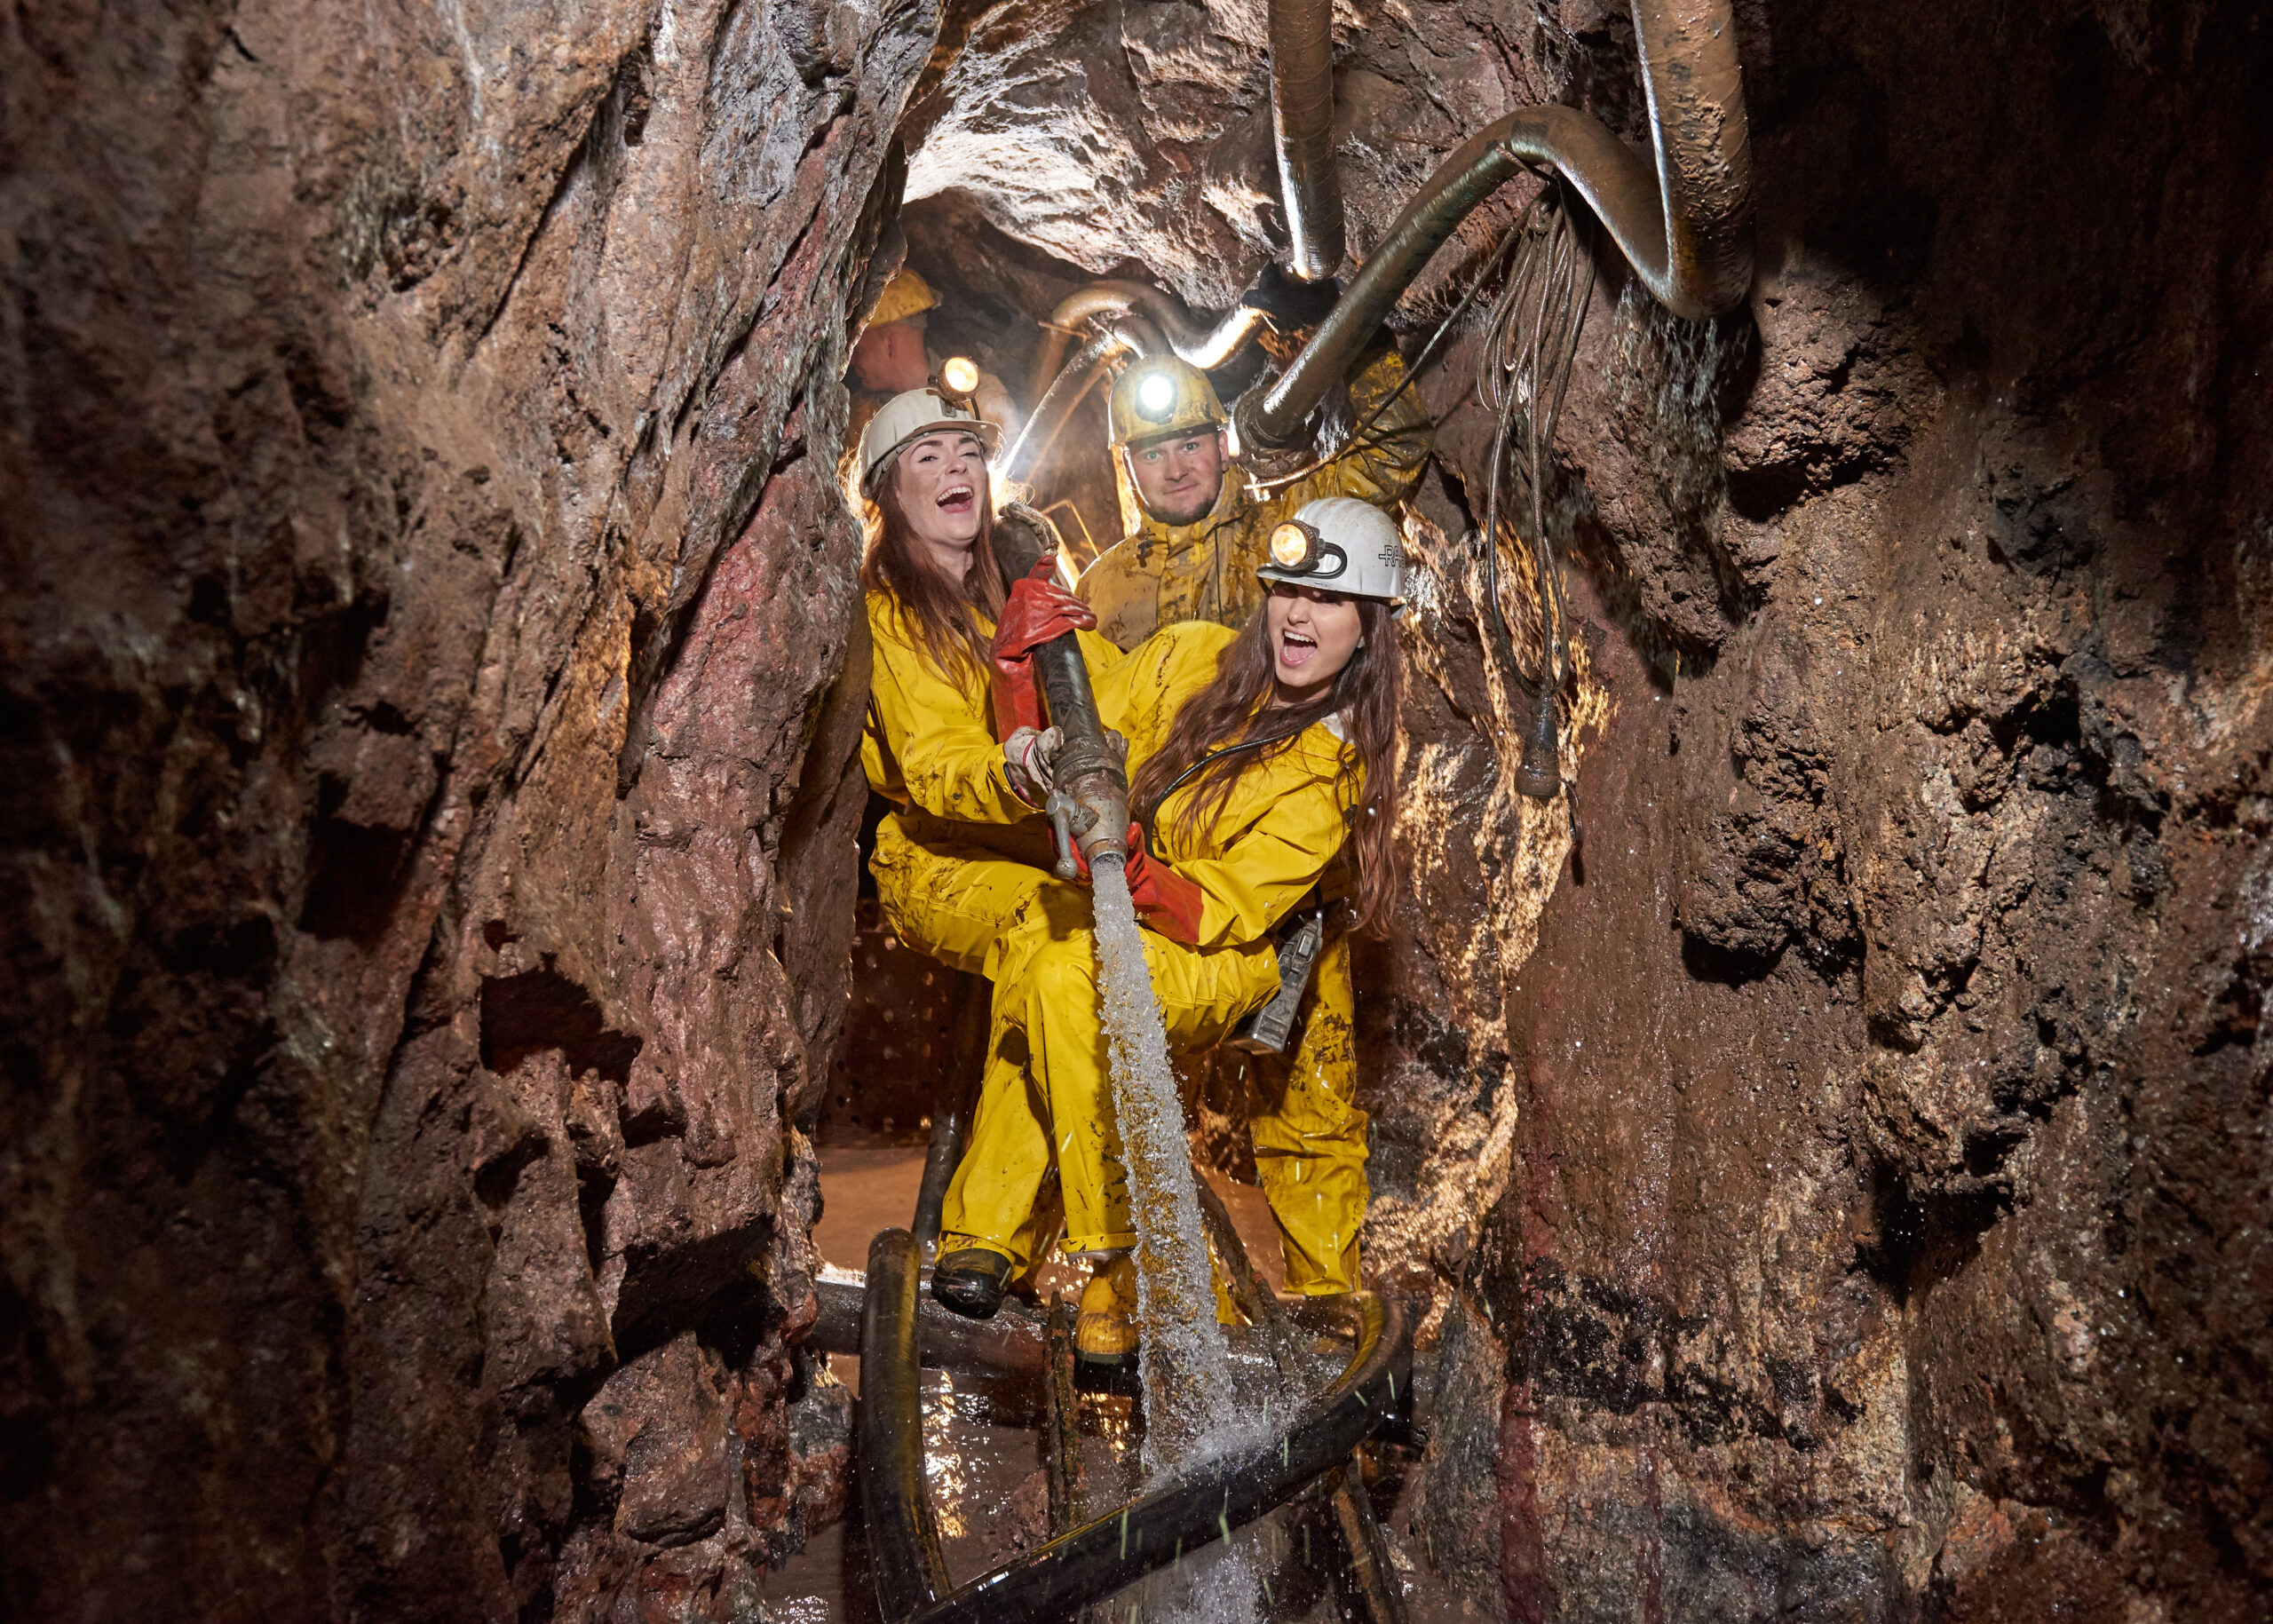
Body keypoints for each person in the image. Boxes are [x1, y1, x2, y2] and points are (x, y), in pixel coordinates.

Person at [934, 497, 1408, 1367]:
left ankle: (1137, 1263)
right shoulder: (1194, 658)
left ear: (1370, 631)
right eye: (1288, 589)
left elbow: (1224, 903)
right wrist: (1019, 662)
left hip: (1229, 954)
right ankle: (989, 1240)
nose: (1299, 614)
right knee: (1043, 958)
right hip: (1140, 910)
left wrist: (1134, 862)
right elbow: (1090, 712)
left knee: (1075, 978)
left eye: (1329, 599)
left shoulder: (1331, 769)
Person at [1068, 350, 1432, 1305]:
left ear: (1224, 443)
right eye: (1153, 451)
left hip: (1283, 886)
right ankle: (1134, 1300)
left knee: (1309, 1107)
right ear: (1126, 467)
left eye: (1191, 441)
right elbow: (1095, 714)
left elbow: (1394, 447)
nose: (1177, 465)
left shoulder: (1289, 532)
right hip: (1173, 864)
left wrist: (1331, 328)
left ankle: (1325, 1307)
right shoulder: (1106, 588)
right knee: (1119, 1076)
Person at [849, 267, 1019, 451]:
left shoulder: (982, 403)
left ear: (889, 343)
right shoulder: (859, 417)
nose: (851, 362)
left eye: (858, 351)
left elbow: (1015, 464)